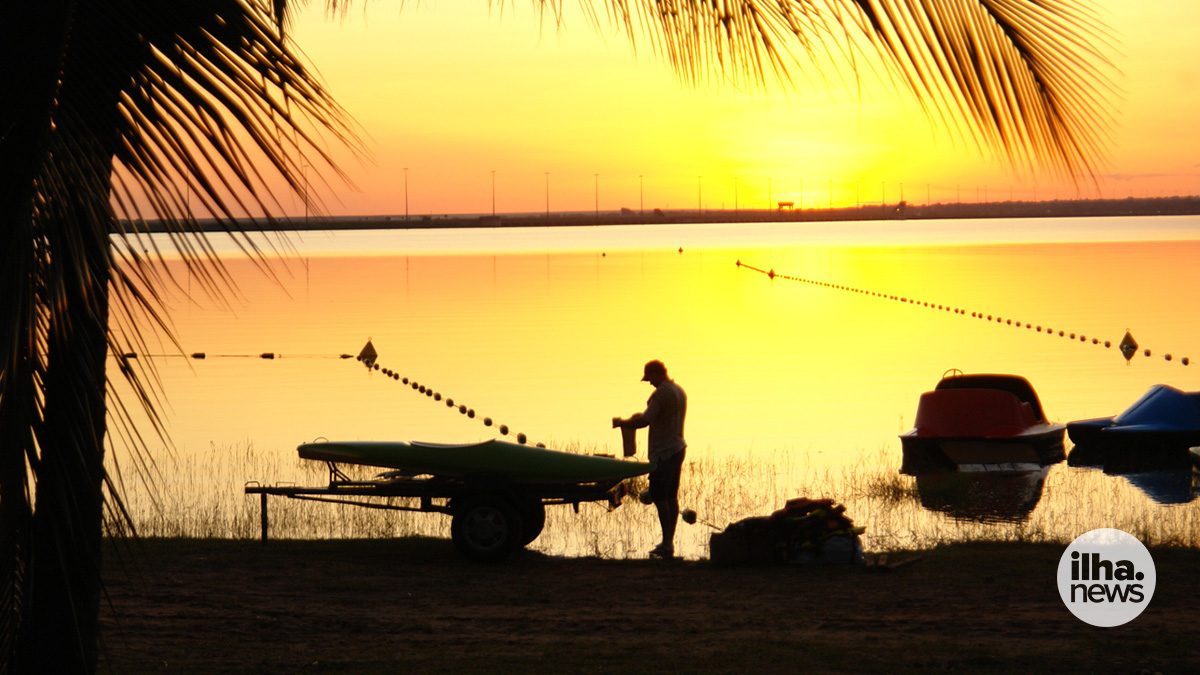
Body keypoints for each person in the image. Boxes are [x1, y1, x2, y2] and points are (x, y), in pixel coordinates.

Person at [613, 359, 687, 560]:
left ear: (657, 374)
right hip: (678, 447)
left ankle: (666, 544)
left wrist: (623, 422)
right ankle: (668, 542)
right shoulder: (678, 390)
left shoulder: (662, 393)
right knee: (671, 497)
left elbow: (645, 420)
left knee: (661, 498)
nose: (649, 383)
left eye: (650, 379)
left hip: (664, 452)